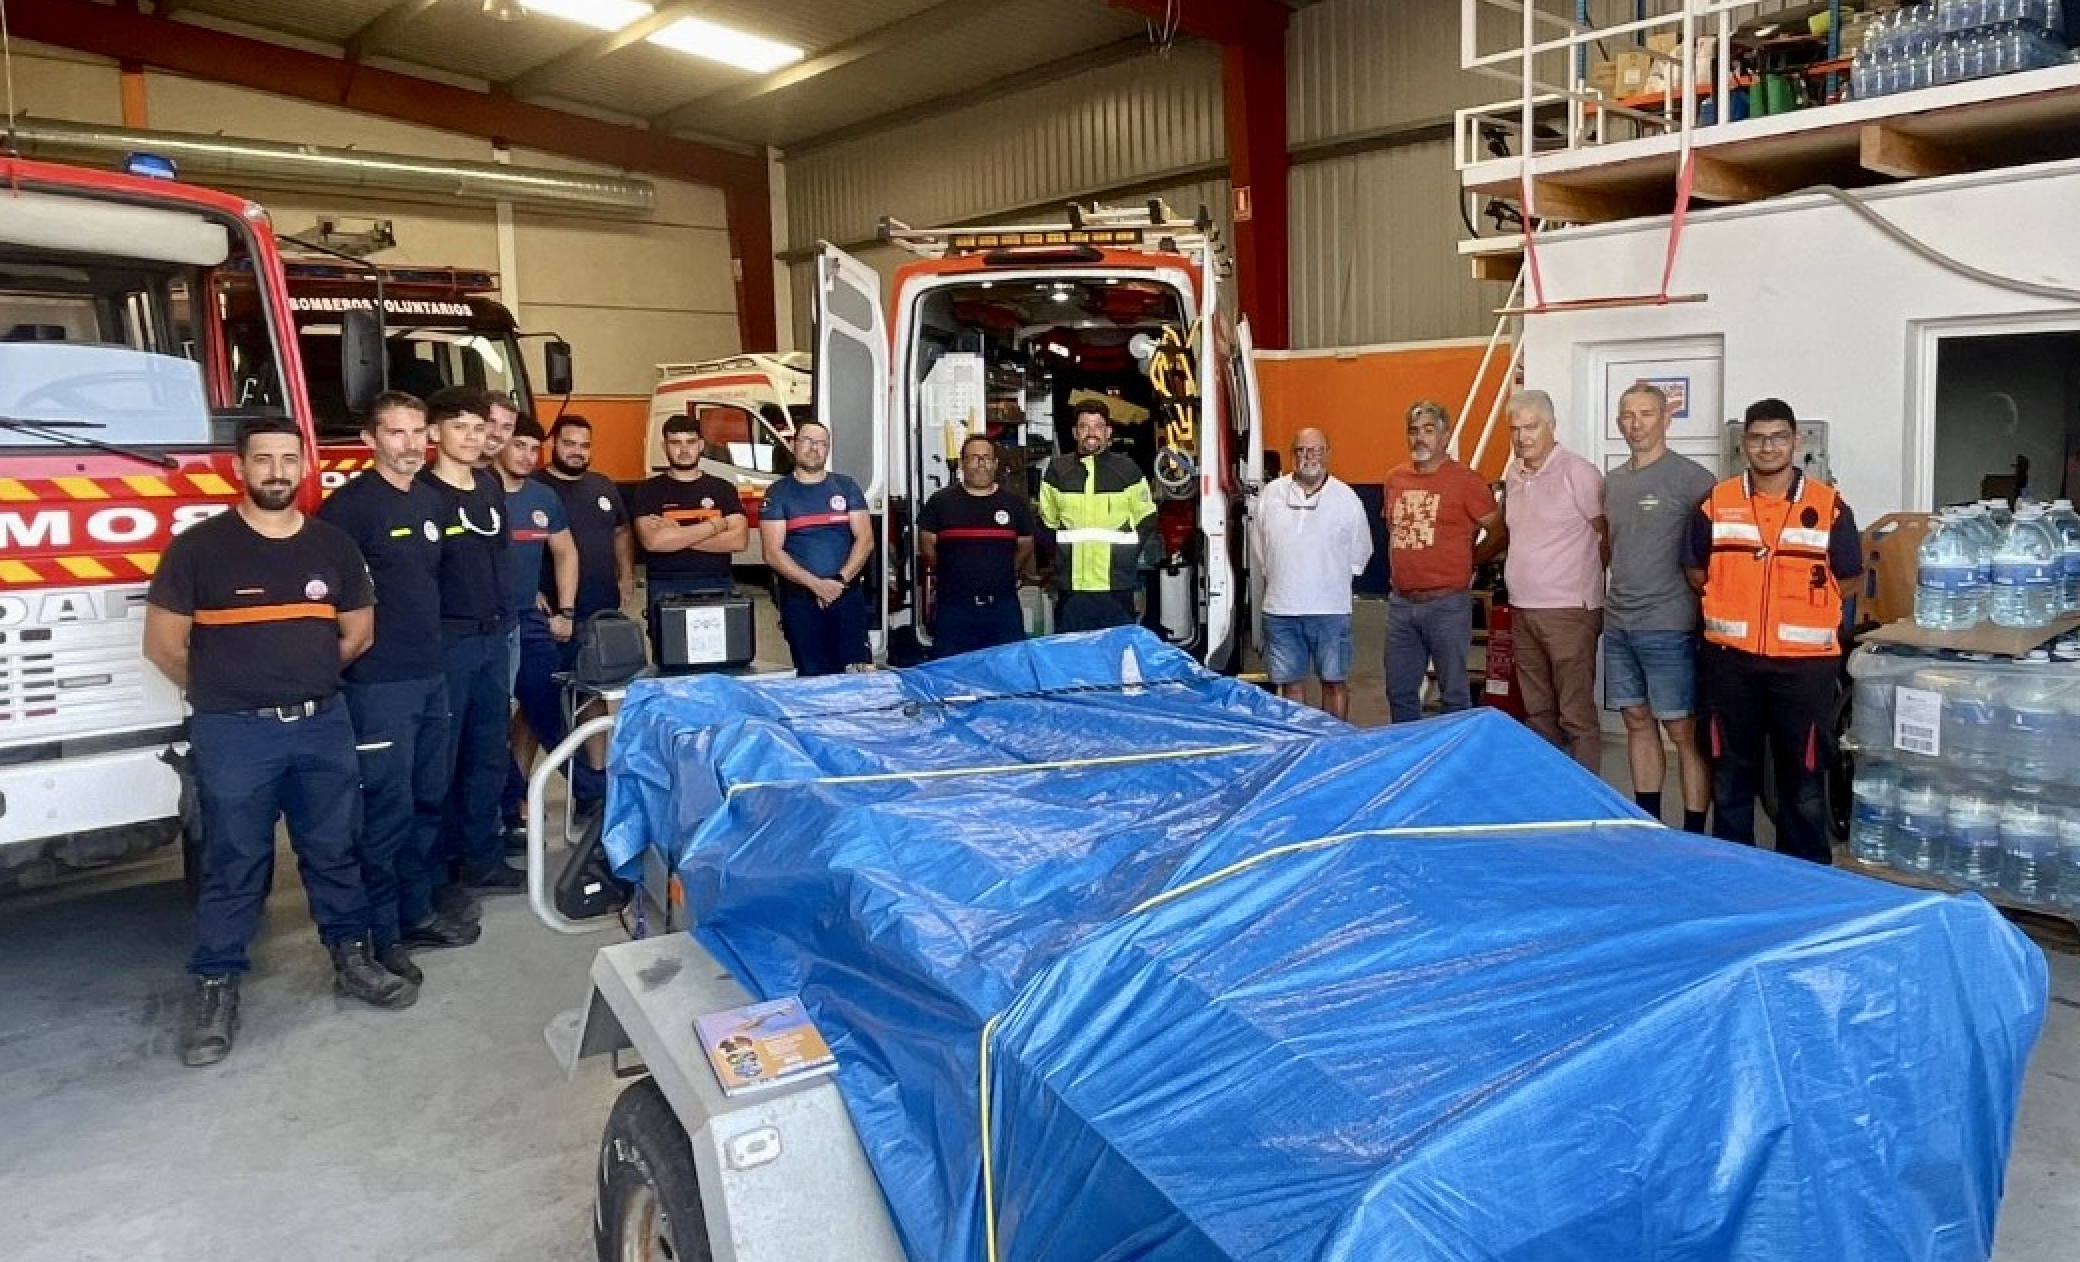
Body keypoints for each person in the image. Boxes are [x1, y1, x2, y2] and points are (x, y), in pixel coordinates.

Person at [144, 417, 412, 1068]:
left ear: (304, 468)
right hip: (234, 732)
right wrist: (227, 695)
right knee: (235, 862)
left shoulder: (333, 548)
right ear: (241, 468)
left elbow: (358, 635)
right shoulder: (200, 550)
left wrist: (305, 684)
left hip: (322, 723)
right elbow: (163, 646)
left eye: (288, 460)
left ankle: (351, 959)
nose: (276, 472)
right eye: (262, 460)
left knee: (333, 849)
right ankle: (215, 985)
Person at [318, 392, 480, 985]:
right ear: (370, 440)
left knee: (428, 799)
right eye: (396, 433)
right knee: (385, 811)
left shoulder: (434, 500)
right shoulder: (348, 511)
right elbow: (327, 602)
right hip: (378, 684)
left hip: (431, 673)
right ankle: (378, 936)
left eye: (418, 432)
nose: (411, 444)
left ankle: (415, 914)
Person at [1683, 398, 1862, 864]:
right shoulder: (1716, 503)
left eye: (1778, 437)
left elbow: (1850, 577)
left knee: (1802, 775)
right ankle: (1734, 867)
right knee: (1730, 769)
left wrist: (1800, 612)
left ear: (1795, 441)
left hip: (1804, 669)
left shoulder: (1829, 507)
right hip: (1730, 662)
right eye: (1758, 437)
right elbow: (1695, 570)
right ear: (1744, 444)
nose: (1768, 447)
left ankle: (1802, 872)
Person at [418, 387, 522, 895]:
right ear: (433, 433)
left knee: (487, 754)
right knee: (442, 761)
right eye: (461, 427)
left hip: (492, 638)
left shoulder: (489, 487)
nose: (473, 437)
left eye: (480, 428)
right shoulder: (420, 494)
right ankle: (437, 872)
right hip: (445, 642)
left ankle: (484, 859)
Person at [1604, 382, 1717, 832]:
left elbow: (1714, 553)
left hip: (1669, 623)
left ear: (1666, 419)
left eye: (1646, 414)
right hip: (1619, 620)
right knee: (1635, 719)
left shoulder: (1693, 480)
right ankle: (1647, 824)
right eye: (1628, 416)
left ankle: (1692, 831)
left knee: (1682, 731)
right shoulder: (1612, 481)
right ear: (1618, 423)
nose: (1636, 424)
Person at [1501, 390, 1608, 771]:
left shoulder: (1579, 473)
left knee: (1575, 713)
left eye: (1531, 427)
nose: (1522, 437)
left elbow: (1605, 534)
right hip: (1522, 608)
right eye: (1515, 429)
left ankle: (1584, 798)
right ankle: (1550, 791)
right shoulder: (1513, 474)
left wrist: (1579, 581)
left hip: (1568, 612)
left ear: (1551, 426)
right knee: (1538, 712)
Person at [1382, 401, 1508, 724]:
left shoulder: (1466, 482)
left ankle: (1455, 766)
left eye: (1428, 430)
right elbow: (1394, 529)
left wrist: (1471, 563)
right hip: (1400, 604)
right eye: (1413, 431)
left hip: (1447, 605)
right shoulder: (1394, 478)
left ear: (1445, 436)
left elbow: (1499, 531)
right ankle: (1410, 760)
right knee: (1399, 692)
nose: (1420, 438)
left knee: (1453, 694)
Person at [1249, 427, 1373, 719]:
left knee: (1334, 682)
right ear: (1293, 455)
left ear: (1328, 454)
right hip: (1281, 610)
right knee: (1290, 685)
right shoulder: (1271, 494)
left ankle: (1335, 744)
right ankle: (1300, 747)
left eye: (1315, 450)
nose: (1308, 457)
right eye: (1301, 451)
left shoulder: (1347, 500)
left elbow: (1361, 552)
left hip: (1330, 610)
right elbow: (1259, 546)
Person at [496, 414, 579, 836]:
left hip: (531, 624)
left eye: (534, 448)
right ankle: (511, 803)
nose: (528, 456)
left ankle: (595, 793)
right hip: (484, 625)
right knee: (487, 724)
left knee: (550, 709)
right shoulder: (479, 494)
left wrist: (565, 611)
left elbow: (566, 552)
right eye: (519, 445)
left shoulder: (544, 498)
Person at [629, 413, 749, 667]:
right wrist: (714, 525)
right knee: (671, 666)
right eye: (676, 443)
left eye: (690, 442)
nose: (684, 450)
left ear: (701, 445)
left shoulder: (723, 489)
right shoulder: (648, 491)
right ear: (664, 447)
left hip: (718, 585)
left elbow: (739, 540)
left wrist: (677, 534)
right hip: (666, 588)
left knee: (722, 666)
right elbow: (653, 542)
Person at [759, 419, 875, 675]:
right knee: (811, 676)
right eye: (808, 441)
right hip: (801, 601)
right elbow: (772, 552)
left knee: (856, 675)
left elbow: (865, 540)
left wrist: (838, 582)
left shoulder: (846, 486)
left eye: (822, 443)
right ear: (793, 445)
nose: (815, 448)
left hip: (846, 596)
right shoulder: (778, 493)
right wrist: (816, 585)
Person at [1039, 400, 1157, 632]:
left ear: (1108, 432)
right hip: (1072, 588)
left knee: (1116, 658)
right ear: (1075, 432)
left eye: (1098, 426)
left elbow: (1147, 517)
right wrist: (1059, 562)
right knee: (1073, 657)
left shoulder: (1127, 470)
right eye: (1084, 426)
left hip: (1116, 587)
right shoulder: (1057, 471)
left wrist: (1127, 555)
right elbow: (1047, 523)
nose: (1091, 433)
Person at [918, 434, 1036, 657]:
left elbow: (1025, 546)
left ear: (996, 464)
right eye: (973, 458)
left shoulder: (1014, 504)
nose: (981, 464)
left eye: (986, 458)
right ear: (962, 464)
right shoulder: (941, 502)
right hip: (954, 610)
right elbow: (927, 546)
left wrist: (1006, 572)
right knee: (951, 675)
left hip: (1002, 609)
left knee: (1008, 672)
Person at [538, 414, 634, 622]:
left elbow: (621, 531)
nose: (577, 452)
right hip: (552, 609)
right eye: (569, 444)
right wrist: (529, 591)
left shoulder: (603, 484)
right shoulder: (535, 487)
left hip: (603, 603)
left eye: (584, 446)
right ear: (553, 443)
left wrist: (626, 576)